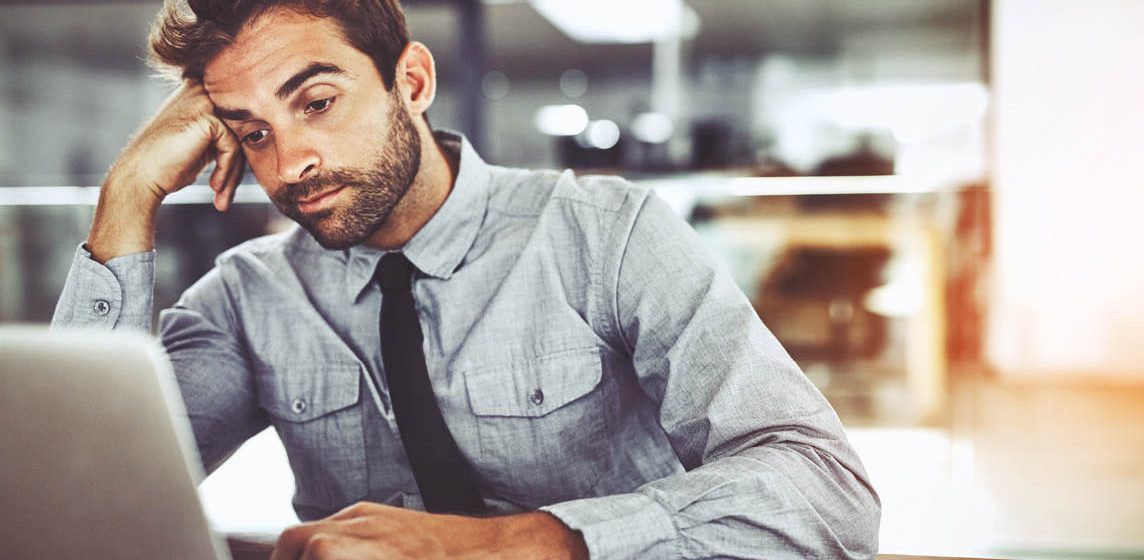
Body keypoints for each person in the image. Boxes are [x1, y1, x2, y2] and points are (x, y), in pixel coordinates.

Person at [52, 1, 880, 558]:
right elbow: (67, 506)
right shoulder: (246, 299)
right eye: (251, 132)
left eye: (316, 103)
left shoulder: (602, 233)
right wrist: (129, 192)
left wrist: (502, 545)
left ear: (410, 82)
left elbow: (825, 491)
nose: (290, 162)